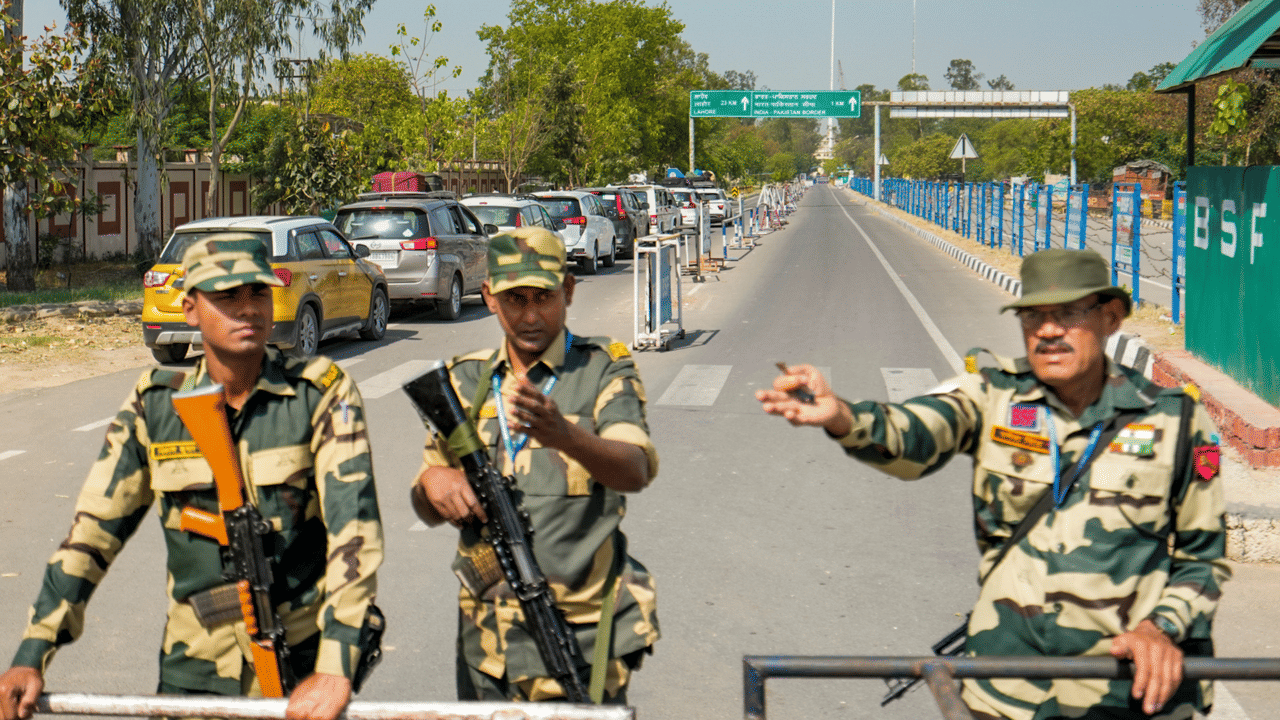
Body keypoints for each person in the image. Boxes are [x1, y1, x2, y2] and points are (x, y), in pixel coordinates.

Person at [756, 248, 1229, 720]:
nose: (1046, 331)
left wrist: (1161, 629)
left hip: (1124, 692)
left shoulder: (1175, 420)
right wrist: (842, 416)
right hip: (1005, 691)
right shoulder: (991, 395)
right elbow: (915, 431)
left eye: (1067, 314)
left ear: (1111, 318)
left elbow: (1204, 557)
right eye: (1032, 317)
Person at [0, 236, 383, 720]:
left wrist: (336, 665)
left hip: (302, 671)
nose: (248, 310)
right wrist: (33, 653)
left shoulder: (320, 393)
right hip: (195, 673)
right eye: (227, 297)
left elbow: (356, 531)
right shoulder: (157, 404)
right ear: (190, 309)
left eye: (258, 294)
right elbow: (94, 533)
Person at [410, 226, 659, 704]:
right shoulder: (465, 382)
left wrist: (567, 436)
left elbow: (635, 468)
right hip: (487, 644)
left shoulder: (603, 368)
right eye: (514, 299)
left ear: (567, 291)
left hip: (579, 641)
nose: (529, 316)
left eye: (543, 297)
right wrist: (432, 481)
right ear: (489, 297)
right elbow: (425, 507)